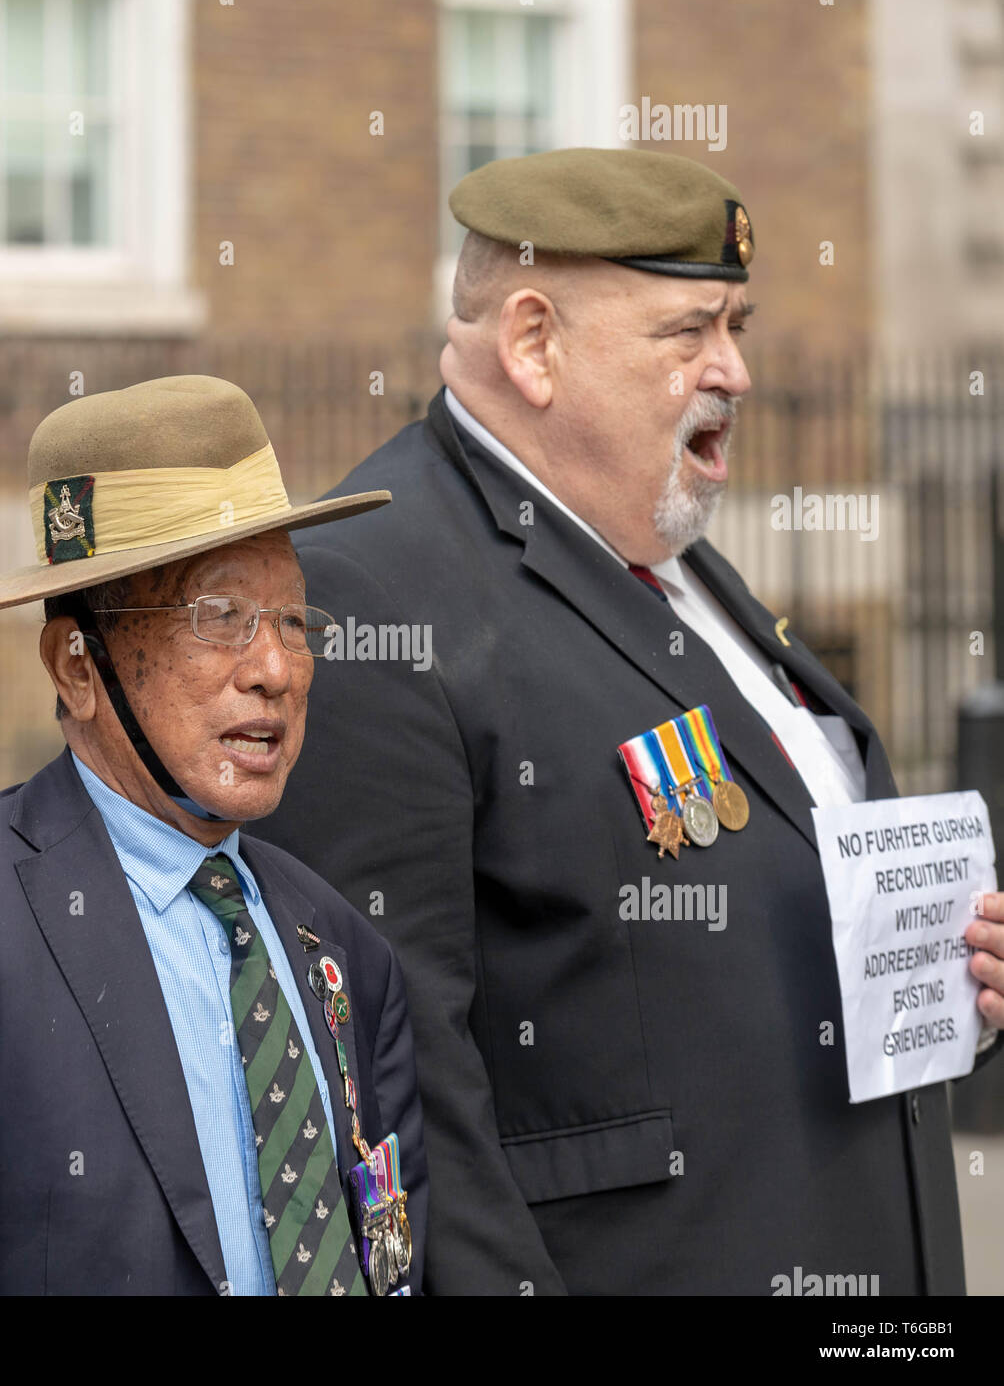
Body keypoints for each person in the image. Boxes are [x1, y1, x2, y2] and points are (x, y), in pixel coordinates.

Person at [252, 148, 1004, 1294]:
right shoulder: (372, 593)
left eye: (738, 325)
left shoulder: (662, 545)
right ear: (534, 342)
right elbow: (387, 1089)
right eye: (689, 332)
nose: (736, 371)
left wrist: (955, 978)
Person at [0, 375, 426, 1296]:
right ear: (77, 666)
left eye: (295, 621)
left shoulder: (345, 949)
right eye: (220, 618)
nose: (274, 669)